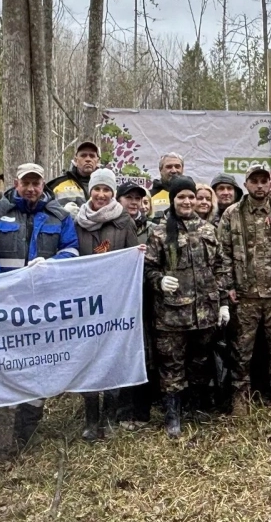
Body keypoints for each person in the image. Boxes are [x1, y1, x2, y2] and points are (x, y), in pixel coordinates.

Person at [0, 163, 79, 455]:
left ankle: (30, 427)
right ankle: (4, 428)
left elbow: (71, 250)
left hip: (43, 305)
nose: (31, 188)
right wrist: (3, 285)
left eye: (36, 183)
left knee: (39, 363)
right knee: (6, 361)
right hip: (4, 305)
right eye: (26, 183)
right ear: (16, 183)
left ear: (43, 184)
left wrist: (52, 266)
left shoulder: (60, 215)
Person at [144, 175, 225, 437]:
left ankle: (195, 408)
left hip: (205, 312)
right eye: (181, 197)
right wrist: (158, 280)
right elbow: (148, 268)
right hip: (172, 314)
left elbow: (220, 267)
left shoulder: (209, 229)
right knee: (172, 365)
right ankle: (172, 415)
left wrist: (222, 302)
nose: (187, 201)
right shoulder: (158, 231)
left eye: (191, 196)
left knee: (200, 361)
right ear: (173, 200)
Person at [217, 164, 271, 412]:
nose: (260, 186)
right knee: (241, 350)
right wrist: (228, 286)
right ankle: (240, 396)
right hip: (245, 296)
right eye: (254, 181)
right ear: (246, 185)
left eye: (264, 181)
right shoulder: (232, 214)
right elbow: (223, 255)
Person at [74, 169, 140, 440]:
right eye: (97, 189)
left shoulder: (124, 221)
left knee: (112, 356)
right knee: (88, 356)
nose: (101, 194)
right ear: (90, 191)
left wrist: (139, 255)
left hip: (115, 301)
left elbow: (135, 257)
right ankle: (91, 418)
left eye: (106, 190)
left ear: (113, 193)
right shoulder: (76, 220)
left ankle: (109, 417)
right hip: (85, 300)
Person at [116, 181, 154, 428]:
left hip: (146, 297)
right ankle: (120, 410)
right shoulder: (111, 226)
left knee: (145, 352)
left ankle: (142, 410)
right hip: (117, 300)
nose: (133, 201)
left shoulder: (152, 229)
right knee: (120, 352)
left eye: (137, 198)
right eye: (128, 197)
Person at [47, 141, 101, 214]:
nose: (88, 159)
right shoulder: (56, 185)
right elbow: (44, 212)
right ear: (76, 160)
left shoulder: (108, 186)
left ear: (97, 161)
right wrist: (63, 212)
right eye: (83, 155)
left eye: (92, 156)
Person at [149, 153, 185, 219]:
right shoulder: (149, 196)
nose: (174, 171)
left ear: (182, 169)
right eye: (169, 167)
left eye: (177, 167)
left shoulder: (193, 195)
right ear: (160, 170)